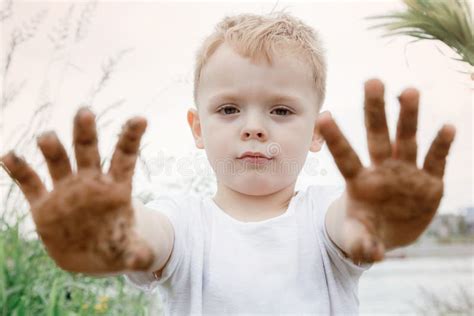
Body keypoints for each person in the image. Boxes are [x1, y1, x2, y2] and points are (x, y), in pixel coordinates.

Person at [0, 12, 455, 315]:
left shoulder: (323, 214)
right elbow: (150, 237)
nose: (254, 128)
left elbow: (351, 224)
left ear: (317, 131)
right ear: (198, 129)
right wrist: (112, 233)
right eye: (229, 109)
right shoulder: (185, 219)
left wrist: (377, 217)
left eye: (281, 110)